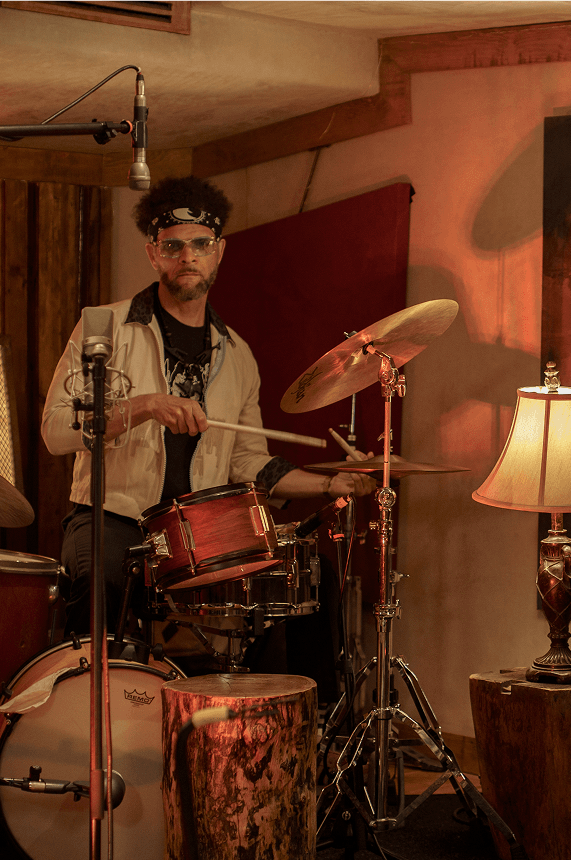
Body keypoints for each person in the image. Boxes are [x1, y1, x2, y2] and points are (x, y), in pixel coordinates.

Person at [42, 176, 374, 636]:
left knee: (298, 584)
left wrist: (328, 483)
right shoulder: (105, 326)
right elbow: (56, 430)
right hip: (113, 517)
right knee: (102, 580)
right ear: (153, 253)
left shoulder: (237, 355)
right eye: (172, 245)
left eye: (200, 244)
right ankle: (91, 696)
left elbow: (249, 462)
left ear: (219, 250)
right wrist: (143, 406)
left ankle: (267, 705)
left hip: (202, 532)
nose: (187, 257)